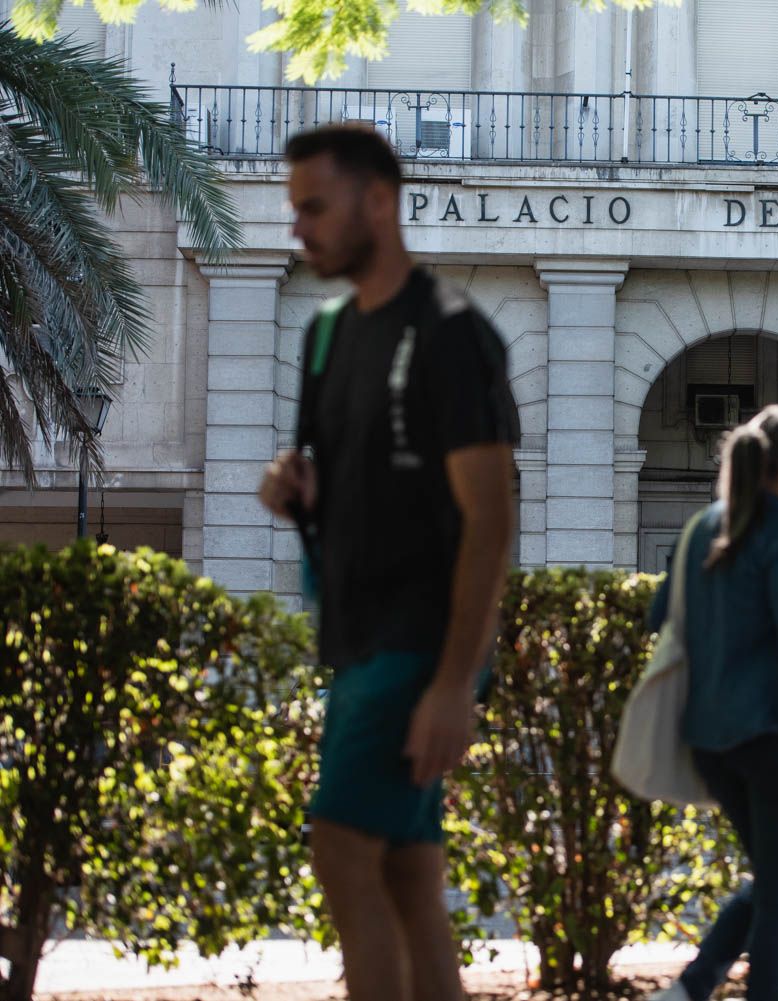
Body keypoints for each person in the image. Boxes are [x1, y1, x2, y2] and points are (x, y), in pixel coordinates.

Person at [257, 124, 519, 1001]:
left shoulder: (451, 334)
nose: (299, 228)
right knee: (407, 872)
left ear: (379, 200)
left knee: (341, 849)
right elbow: (348, 486)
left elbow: (490, 518)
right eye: (294, 210)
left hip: (418, 644)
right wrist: (295, 490)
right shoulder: (326, 335)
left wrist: (453, 683)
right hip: (355, 635)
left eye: (314, 207)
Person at [648, 404, 778, 1001]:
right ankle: (697, 989)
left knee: (776, 882)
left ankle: (689, 989)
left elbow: (660, 618)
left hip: (709, 740)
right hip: (773, 744)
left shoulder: (703, 529)